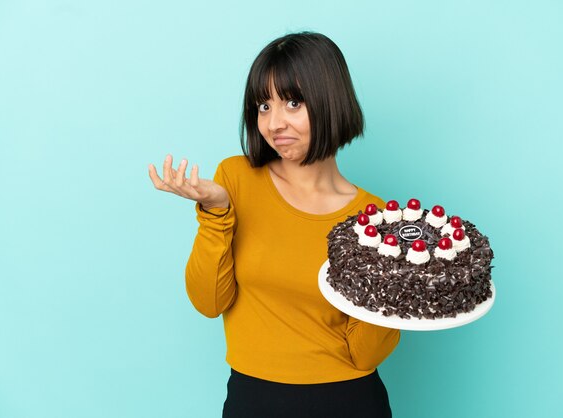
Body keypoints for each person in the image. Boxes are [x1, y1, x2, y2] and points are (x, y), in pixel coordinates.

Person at [148, 32, 400, 418]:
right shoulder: (234, 180)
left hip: (349, 401)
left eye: (292, 103)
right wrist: (216, 213)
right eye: (263, 106)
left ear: (330, 100)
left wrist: (396, 285)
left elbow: (365, 353)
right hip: (253, 399)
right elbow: (208, 303)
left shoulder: (373, 216)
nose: (274, 123)